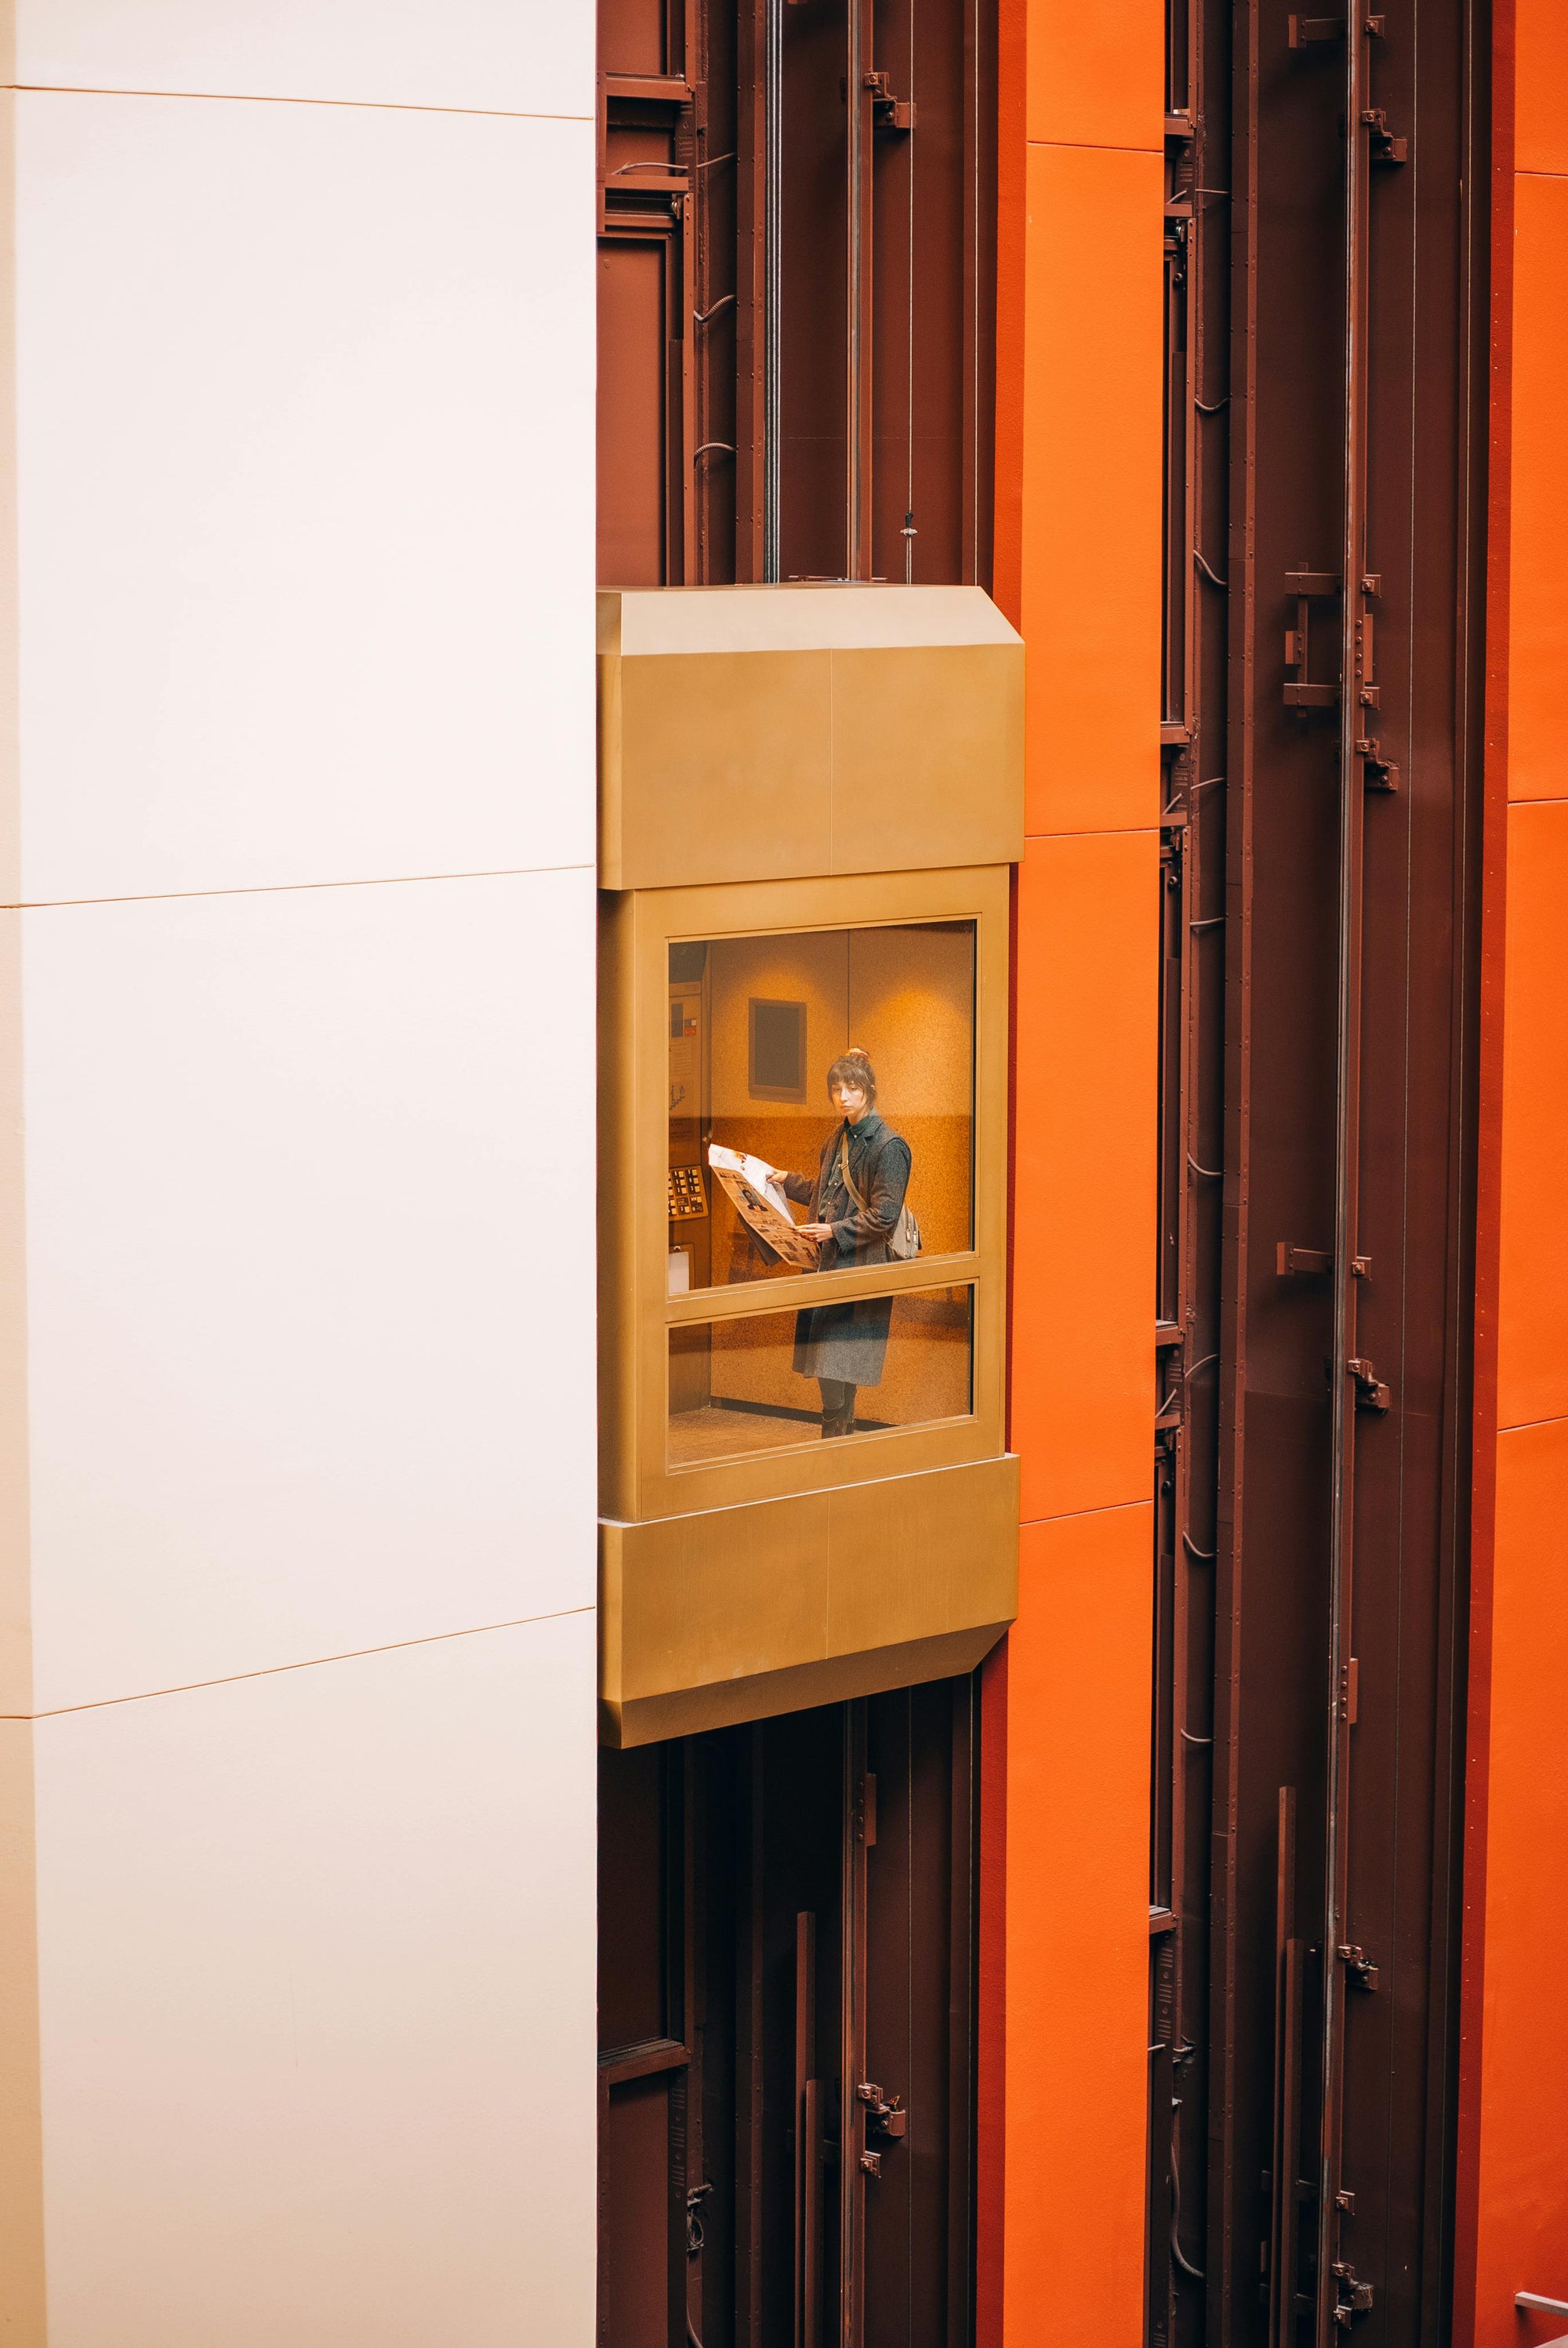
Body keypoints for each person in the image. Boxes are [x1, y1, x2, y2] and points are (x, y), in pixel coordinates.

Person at [772, 1047, 913, 1438]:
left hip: (859, 1267)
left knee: (834, 1360)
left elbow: (885, 1215)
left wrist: (834, 1231)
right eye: (837, 1089)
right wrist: (787, 1181)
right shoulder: (839, 1137)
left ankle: (835, 1434)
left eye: (852, 1088)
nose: (844, 1097)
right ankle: (840, 1437)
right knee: (832, 1360)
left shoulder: (890, 1146)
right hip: (829, 1263)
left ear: (869, 1090)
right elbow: (828, 1191)